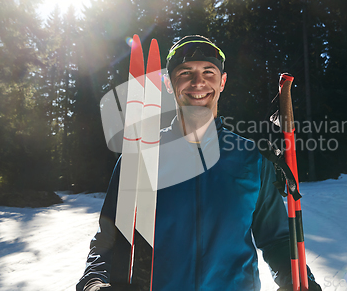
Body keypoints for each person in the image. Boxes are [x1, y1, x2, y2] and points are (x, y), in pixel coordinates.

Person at [76, 35, 321, 291]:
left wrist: (300, 282)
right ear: (169, 84)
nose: (198, 82)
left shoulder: (252, 158)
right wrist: (93, 284)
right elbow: (108, 240)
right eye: (185, 72)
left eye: (208, 71)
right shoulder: (138, 159)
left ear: (223, 81)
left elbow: (277, 239)